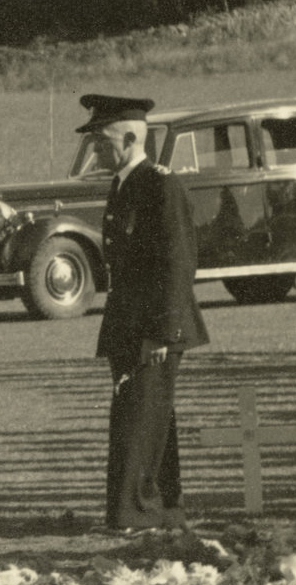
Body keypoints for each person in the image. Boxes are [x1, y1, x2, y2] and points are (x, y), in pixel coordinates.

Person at [79, 94, 208, 532]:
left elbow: (177, 262)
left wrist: (162, 332)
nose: (95, 148)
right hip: (129, 323)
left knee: (142, 418)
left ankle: (136, 511)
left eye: (103, 139)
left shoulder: (159, 183)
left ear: (132, 137)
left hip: (154, 327)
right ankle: (158, 506)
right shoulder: (123, 184)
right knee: (145, 416)